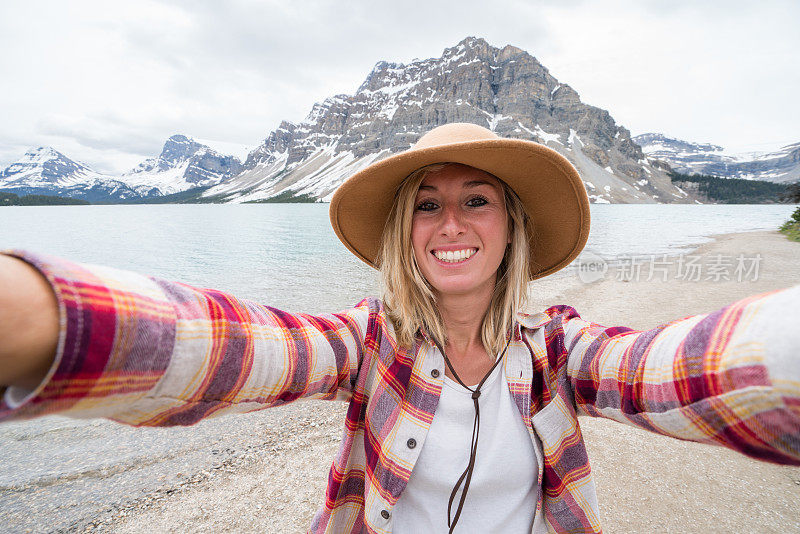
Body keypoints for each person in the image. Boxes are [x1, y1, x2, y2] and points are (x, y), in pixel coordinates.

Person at [0, 123, 799, 533]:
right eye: (426, 203)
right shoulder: (366, 343)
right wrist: (46, 318)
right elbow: (242, 348)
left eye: (476, 199)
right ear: (404, 234)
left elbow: (678, 368)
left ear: (512, 228)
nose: (450, 222)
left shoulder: (561, 349)